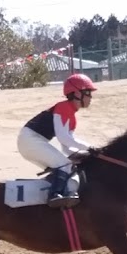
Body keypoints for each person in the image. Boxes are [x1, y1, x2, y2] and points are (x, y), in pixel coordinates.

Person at [17, 73, 97, 209]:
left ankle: (55, 196)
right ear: (77, 93)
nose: (90, 97)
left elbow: (67, 147)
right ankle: (54, 195)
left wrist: (83, 154)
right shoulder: (64, 107)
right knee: (63, 165)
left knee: (67, 167)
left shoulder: (71, 116)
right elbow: (64, 138)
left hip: (32, 141)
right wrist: (90, 147)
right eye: (88, 92)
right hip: (30, 140)